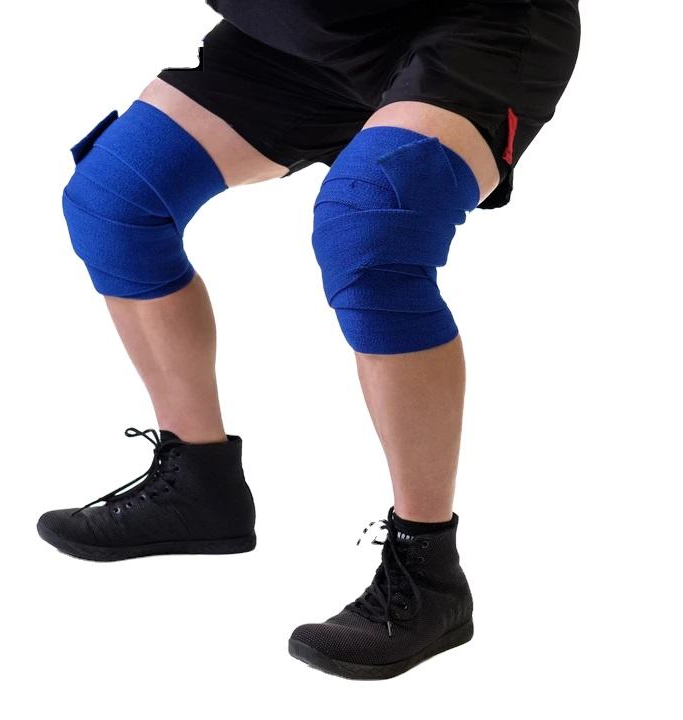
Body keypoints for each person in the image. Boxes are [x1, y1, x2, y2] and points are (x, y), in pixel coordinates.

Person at [37, 0, 581, 679]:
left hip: (466, 25)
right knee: (115, 200)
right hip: (305, 36)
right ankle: (198, 487)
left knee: (372, 227)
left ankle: (427, 571)